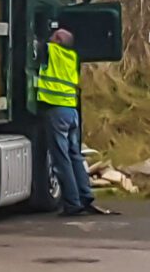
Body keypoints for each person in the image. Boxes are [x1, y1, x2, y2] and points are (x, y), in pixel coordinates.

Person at [35, 26, 111, 216]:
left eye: (53, 35)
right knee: (75, 156)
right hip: (71, 111)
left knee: (61, 159)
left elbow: (34, 46)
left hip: (56, 110)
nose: (50, 37)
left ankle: (72, 202)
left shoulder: (51, 51)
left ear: (58, 40)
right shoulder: (72, 58)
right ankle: (86, 196)